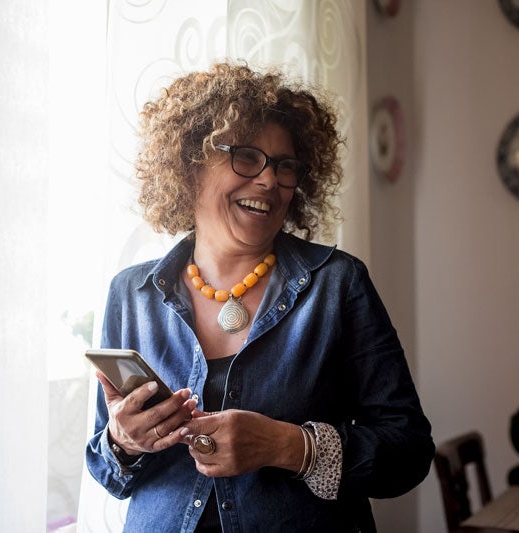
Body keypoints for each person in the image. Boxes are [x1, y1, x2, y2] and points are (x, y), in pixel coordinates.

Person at [85, 61, 434, 532]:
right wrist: (123, 440)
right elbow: (109, 473)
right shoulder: (131, 294)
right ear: (189, 166)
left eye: (284, 166)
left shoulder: (338, 284)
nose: (270, 180)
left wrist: (288, 447)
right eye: (247, 157)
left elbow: (407, 452)